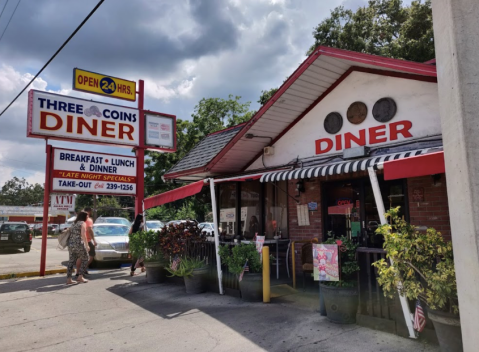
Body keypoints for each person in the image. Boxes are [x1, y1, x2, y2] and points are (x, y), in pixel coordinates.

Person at [66, 211, 89, 284]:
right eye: (87, 216)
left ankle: (69, 279)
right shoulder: (82, 223)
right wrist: (87, 245)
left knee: (71, 261)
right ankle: (80, 277)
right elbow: (83, 235)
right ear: (84, 217)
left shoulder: (73, 223)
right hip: (79, 243)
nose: (87, 218)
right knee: (86, 258)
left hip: (71, 244)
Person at [76, 207, 96, 278]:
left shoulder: (77, 221)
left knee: (80, 257)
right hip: (86, 240)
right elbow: (89, 231)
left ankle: (78, 272)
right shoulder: (88, 220)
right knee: (90, 256)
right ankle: (82, 271)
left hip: (77, 241)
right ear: (89, 212)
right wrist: (93, 240)